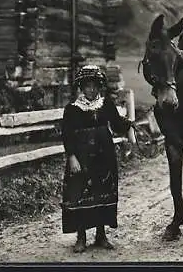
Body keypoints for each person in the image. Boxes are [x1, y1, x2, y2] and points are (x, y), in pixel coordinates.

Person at [60, 65, 133, 253]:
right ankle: (81, 237)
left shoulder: (106, 104)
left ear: (99, 87)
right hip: (82, 157)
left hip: (104, 156)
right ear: (81, 88)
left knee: (103, 191)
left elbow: (116, 124)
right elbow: (67, 135)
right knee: (81, 194)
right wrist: (72, 158)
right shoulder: (72, 109)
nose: (91, 90)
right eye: (87, 86)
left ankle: (101, 235)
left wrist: (128, 124)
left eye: (94, 86)